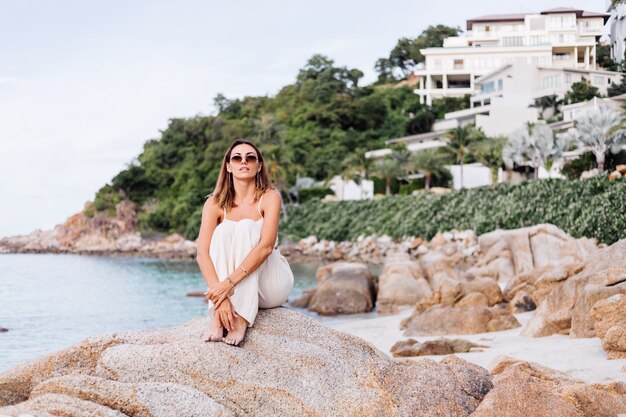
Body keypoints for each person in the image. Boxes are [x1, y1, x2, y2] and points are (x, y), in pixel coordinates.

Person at [196, 139, 294, 346]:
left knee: (246, 226)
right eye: (237, 158)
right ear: (228, 166)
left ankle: (240, 319)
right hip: (232, 290)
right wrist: (219, 298)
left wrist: (227, 285)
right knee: (223, 231)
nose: (244, 162)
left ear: (259, 166)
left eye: (250, 158)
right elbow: (202, 254)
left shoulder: (270, 196)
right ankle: (218, 316)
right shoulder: (214, 203)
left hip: (271, 284)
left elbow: (266, 246)